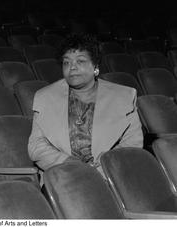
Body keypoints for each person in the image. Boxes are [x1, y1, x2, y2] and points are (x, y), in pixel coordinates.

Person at [28, 33, 143, 178]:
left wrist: (104, 165)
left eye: (80, 61)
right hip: (63, 175)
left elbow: (133, 143)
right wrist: (69, 163)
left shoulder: (124, 96)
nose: (72, 68)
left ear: (95, 67)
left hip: (111, 174)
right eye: (66, 63)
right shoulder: (44, 97)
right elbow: (36, 147)